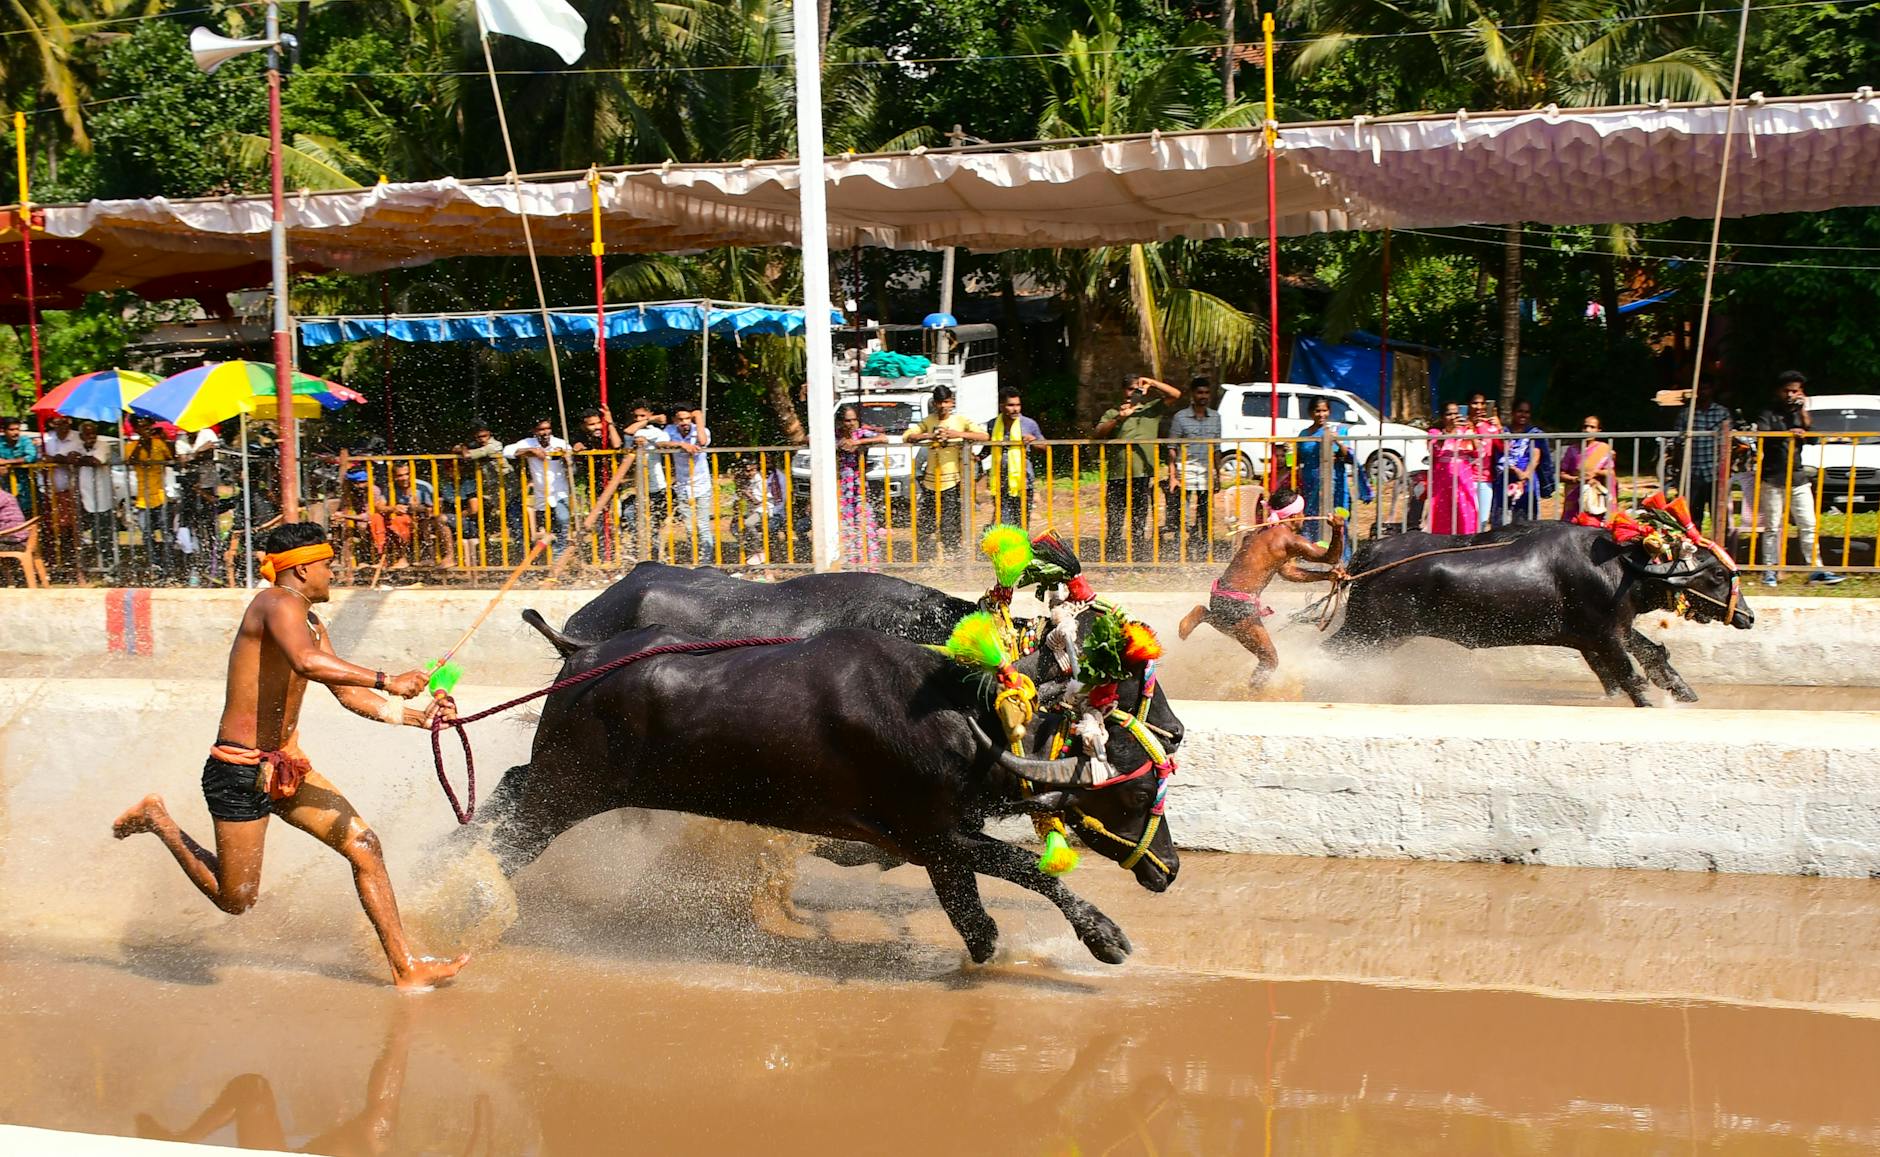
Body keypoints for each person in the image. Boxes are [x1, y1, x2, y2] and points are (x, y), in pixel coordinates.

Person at [111, 523, 468, 989]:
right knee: (236, 898)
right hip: (239, 771)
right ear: (302, 568)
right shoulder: (274, 603)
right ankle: (158, 818)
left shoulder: (311, 621)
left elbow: (345, 693)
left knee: (364, 846)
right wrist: (386, 678)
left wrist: (418, 717)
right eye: (327, 566)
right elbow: (305, 662)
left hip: (287, 768)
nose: (332, 574)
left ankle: (405, 967)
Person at [1176, 488, 1346, 692]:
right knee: (1270, 660)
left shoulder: (1260, 533)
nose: (1303, 517)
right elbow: (1331, 558)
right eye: (1301, 513)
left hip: (1220, 596)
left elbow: (1288, 572)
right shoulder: (1289, 540)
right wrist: (1337, 530)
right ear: (1294, 515)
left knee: (1234, 631)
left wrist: (1326, 576)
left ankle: (1204, 614)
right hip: (1239, 604)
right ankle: (1252, 696)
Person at [1752, 371, 1841, 586]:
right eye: (1787, 390)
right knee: (1772, 526)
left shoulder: (1799, 413)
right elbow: (1763, 436)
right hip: (1773, 477)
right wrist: (1788, 434)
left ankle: (1816, 570)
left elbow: (1813, 434)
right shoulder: (1768, 413)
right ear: (1779, 391)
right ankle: (1770, 570)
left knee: (1808, 523)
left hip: (1798, 477)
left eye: (1796, 390)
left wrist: (1803, 413)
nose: (1791, 395)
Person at [1095, 373, 1180, 562]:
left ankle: (1137, 559)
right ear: (1123, 391)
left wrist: (1153, 383)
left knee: (1139, 520)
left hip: (1142, 474)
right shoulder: (1112, 412)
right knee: (1115, 521)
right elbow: (1098, 434)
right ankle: (1112, 561)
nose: (1132, 393)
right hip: (1117, 475)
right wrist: (1119, 418)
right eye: (1130, 389)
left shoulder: (1150, 410)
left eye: (1137, 389)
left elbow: (1176, 394)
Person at [904, 384, 985, 556]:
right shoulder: (929, 421)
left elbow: (983, 436)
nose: (943, 406)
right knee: (925, 524)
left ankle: (953, 560)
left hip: (951, 482)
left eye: (946, 402)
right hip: (931, 482)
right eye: (939, 402)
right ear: (934, 403)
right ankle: (926, 560)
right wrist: (929, 436)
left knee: (950, 524)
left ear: (952, 402)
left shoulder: (960, 421)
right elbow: (908, 436)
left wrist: (958, 434)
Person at [1164, 378, 1221, 561]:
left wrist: (1217, 475)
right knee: (1183, 515)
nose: (1203, 396)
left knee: (1205, 516)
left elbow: (1217, 449)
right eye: (1199, 393)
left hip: (1206, 472)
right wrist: (1172, 476)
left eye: (1206, 393)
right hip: (1185, 471)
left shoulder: (1216, 417)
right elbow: (1171, 448)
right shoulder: (1180, 417)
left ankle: (1205, 554)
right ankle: (1181, 554)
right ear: (1193, 394)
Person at [1295, 397, 1357, 563]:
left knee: (1337, 522)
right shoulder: (1304, 434)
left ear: (1329, 412)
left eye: (1324, 410)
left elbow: (1349, 456)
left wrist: (1336, 440)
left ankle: (1342, 561)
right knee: (1312, 521)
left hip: (1336, 485)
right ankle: (1313, 559)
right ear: (1310, 413)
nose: (1321, 414)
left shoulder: (1339, 431)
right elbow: (1297, 458)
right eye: (1317, 410)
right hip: (1311, 485)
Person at [504, 417, 574, 556]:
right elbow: (506, 451)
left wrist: (565, 456)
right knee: (545, 528)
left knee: (563, 519)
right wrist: (530, 450)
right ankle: (544, 559)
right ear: (534, 431)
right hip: (541, 494)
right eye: (541, 429)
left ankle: (558, 557)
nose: (545, 432)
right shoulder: (528, 443)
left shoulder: (559, 443)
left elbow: (571, 457)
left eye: (547, 428)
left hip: (560, 491)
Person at [453, 423, 517, 564]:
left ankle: (520, 556)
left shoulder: (495, 445)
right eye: (479, 437)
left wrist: (462, 447)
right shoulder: (478, 446)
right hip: (492, 494)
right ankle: (487, 558)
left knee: (515, 524)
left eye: (484, 436)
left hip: (508, 491)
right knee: (484, 525)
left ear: (490, 434)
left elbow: (468, 455)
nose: (482, 439)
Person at [126, 416, 177, 583]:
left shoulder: (158, 444)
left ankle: (169, 567)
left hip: (160, 495)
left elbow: (171, 458)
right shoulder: (132, 446)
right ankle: (154, 565)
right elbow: (130, 461)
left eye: (148, 426)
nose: (146, 429)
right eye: (142, 427)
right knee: (147, 535)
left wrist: (164, 439)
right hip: (143, 498)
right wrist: (142, 442)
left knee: (166, 533)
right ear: (136, 429)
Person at [835, 405, 888, 567]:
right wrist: (839, 444)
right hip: (841, 489)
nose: (851, 423)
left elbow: (883, 438)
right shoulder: (834, 436)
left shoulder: (860, 434)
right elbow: (809, 438)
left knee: (866, 525)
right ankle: (849, 565)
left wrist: (859, 442)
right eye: (847, 420)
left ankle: (869, 566)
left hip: (859, 489)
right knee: (846, 527)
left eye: (853, 420)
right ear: (840, 422)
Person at [663, 404, 716, 564]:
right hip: (683, 485)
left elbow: (703, 440)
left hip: (702, 485)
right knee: (689, 527)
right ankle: (695, 558)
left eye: (687, 418)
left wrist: (699, 419)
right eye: (681, 419)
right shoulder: (670, 431)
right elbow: (661, 443)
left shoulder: (699, 429)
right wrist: (681, 444)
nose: (684, 422)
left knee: (703, 526)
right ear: (675, 420)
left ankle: (706, 562)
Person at [620, 401, 672, 558]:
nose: (638, 419)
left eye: (642, 416)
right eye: (636, 416)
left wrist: (648, 437)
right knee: (629, 513)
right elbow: (628, 432)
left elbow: (665, 443)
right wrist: (649, 420)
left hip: (656, 485)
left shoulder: (656, 432)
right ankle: (639, 549)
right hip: (637, 487)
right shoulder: (632, 432)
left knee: (655, 523)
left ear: (650, 415)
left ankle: (656, 555)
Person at [1680, 378, 1732, 535]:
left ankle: (1720, 548)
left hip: (1715, 473)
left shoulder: (1722, 413)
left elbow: (1728, 444)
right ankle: (1695, 550)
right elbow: (1678, 443)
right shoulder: (1686, 414)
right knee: (1693, 517)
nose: (1703, 392)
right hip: (1693, 472)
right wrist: (1679, 470)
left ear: (1712, 390)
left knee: (1719, 515)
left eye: (1706, 389)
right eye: (1700, 389)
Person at [986, 386, 1042, 527]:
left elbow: (1045, 446)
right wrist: (977, 457)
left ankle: (1020, 548)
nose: (1015, 409)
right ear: (1001, 406)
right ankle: (1003, 548)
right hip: (1000, 482)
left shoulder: (1028, 424)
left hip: (1023, 482)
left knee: (1022, 523)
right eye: (1011, 405)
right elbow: (989, 447)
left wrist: (1033, 440)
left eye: (1018, 405)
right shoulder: (993, 424)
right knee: (1003, 522)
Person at [176, 423, 223, 585]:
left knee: (210, 528)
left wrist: (193, 456)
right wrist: (198, 452)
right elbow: (183, 463)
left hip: (207, 486)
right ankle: (195, 568)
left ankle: (215, 568)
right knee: (188, 529)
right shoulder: (181, 440)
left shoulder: (207, 433)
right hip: (190, 489)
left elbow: (209, 454)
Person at [74, 419, 121, 579]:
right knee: (86, 535)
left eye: (93, 432)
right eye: (87, 433)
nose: (91, 436)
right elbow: (68, 458)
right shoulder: (79, 447)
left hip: (102, 498)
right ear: (81, 435)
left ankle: (110, 568)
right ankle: (88, 568)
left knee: (104, 534)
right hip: (85, 497)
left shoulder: (103, 445)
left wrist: (77, 459)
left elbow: (95, 461)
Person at [40, 414, 85, 578]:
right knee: (52, 531)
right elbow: (42, 460)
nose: (62, 425)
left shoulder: (77, 438)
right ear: (52, 423)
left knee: (71, 530)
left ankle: (77, 567)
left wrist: (58, 459)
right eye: (58, 421)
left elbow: (76, 458)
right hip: (51, 492)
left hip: (70, 491)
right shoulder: (47, 439)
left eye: (65, 421)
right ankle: (56, 567)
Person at [1427, 403, 1480, 534]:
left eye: (1456, 413)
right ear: (1442, 416)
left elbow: (1479, 452)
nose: (1453, 417)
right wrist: (1448, 433)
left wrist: (1472, 435)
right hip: (1442, 486)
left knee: (1465, 519)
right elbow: (1433, 450)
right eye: (1449, 414)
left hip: (1463, 483)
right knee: (1442, 521)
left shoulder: (1466, 432)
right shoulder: (1435, 433)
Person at [1499, 400, 1552, 523]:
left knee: (1526, 520)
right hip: (1506, 477)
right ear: (1513, 413)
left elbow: (1535, 458)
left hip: (1528, 480)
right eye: (1520, 411)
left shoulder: (1534, 433)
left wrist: (1523, 477)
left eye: (1527, 412)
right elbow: (1500, 456)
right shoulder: (1504, 433)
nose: (1523, 415)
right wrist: (1514, 470)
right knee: (1504, 520)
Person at [1559, 414, 1617, 523]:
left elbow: (1610, 472)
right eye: (1585, 427)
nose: (1587, 430)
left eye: (1592, 427)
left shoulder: (1604, 449)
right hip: (1575, 497)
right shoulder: (1572, 450)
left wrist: (1595, 473)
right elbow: (1561, 474)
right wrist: (1576, 480)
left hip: (1596, 497)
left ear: (1599, 430)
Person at [1468, 393, 1503, 528]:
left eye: (1482, 403)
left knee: (1481, 522)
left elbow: (1505, 448)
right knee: (1464, 521)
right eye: (1475, 403)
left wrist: (1499, 427)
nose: (1479, 407)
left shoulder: (1490, 427)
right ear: (1468, 405)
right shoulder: (1462, 425)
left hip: (1485, 480)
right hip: (1465, 480)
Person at [0, 415, 38, 521]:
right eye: (11, 430)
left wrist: (7, 462)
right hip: (5, 487)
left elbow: (31, 456)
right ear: (3, 430)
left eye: (17, 429)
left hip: (26, 486)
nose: (15, 432)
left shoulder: (25, 440)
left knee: (30, 516)